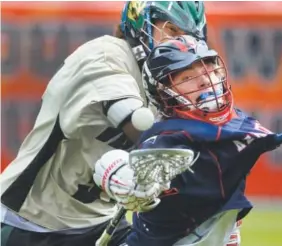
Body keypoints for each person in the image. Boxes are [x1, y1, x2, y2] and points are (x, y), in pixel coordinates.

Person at [0, 2, 207, 246]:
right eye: (172, 31)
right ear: (141, 23)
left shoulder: (163, 80)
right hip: (30, 221)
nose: (178, 45)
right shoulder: (106, 54)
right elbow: (136, 124)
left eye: (187, 37)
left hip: (103, 223)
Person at [95, 35, 282, 246]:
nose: (204, 80)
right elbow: (119, 164)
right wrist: (122, 178)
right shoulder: (169, 135)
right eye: (187, 77)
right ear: (164, 92)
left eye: (207, 71)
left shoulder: (237, 122)